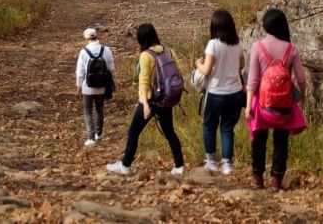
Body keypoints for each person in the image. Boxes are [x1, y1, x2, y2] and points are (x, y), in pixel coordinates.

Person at [105, 23, 186, 177]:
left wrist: (145, 105)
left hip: (151, 100)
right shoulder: (168, 50)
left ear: (141, 39)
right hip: (166, 99)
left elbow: (144, 83)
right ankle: (179, 166)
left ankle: (125, 166)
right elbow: (179, 73)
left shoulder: (146, 55)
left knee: (133, 131)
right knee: (169, 131)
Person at [245, 7, 308, 190]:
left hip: (261, 103)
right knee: (281, 140)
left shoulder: (258, 46)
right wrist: (301, 98)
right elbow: (302, 79)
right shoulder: (291, 48)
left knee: (259, 139)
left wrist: (249, 105)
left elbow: (252, 80)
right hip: (284, 103)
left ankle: (257, 178)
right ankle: (276, 180)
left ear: (266, 25)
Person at [195, 9, 246, 175]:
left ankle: (210, 161)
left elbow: (207, 70)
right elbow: (241, 66)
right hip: (235, 92)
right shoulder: (237, 44)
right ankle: (227, 164)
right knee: (227, 128)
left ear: (215, 26)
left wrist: (198, 64)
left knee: (209, 126)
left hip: (216, 92)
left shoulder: (213, 44)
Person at [75, 28, 115, 146]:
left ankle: (91, 138)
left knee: (87, 111)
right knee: (99, 109)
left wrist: (79, 86)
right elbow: (111, 68)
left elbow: (80, 71)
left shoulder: (84, 52)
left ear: (86, 38)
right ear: (96, 36)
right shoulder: (106, 50)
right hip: (102, 86)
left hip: (88, 86)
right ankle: (99, 133)